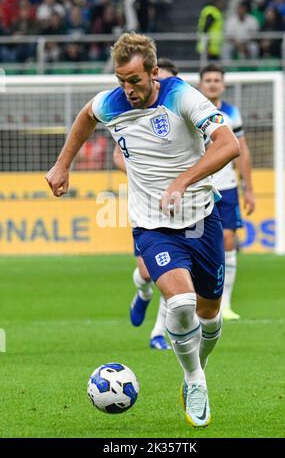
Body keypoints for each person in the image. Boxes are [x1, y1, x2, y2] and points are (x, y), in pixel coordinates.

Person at [46, 33, 240, 427]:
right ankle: (194, 379)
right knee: (181, 304)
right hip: (152, 225)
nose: (128, 89)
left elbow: (228, 144)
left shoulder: (181, 96)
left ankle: (197, 368)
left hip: (201, 218)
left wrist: (183, 181)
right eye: (121, 80)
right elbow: (86, 116)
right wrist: (62, 164)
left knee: (210, 317)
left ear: (154, 73)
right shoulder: (111, 102)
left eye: (135, 81)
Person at [113, 58, 178, 351]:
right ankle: (142, 293)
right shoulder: (133, 116)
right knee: (147, 273)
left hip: (181, 208)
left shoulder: (183, 112)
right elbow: (117, 156)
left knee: (174, 275)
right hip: (145, 208)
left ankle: (158, 333)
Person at [199, 64, 255, 321]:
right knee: (199, 247)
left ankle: (226, 304)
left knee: (229, 240)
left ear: (223, 84)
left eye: (216, 80)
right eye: (208, 80)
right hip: (201, 188)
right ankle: (199, 301)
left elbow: (241, 152)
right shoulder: (193, 110)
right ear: (201, 84)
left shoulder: (231, 113)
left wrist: (249, 189)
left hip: (228, 187)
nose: (212, 84)